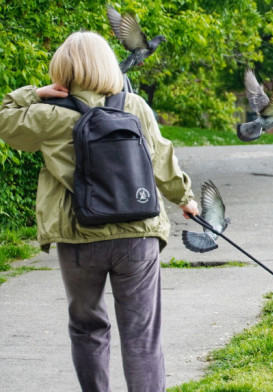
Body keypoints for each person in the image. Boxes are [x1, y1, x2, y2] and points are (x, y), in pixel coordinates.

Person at [0, 31, 199, 392]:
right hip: (137, 234)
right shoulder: (134, 106)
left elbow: (3, 120)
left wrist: (34, 93)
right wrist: (185, 199)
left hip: (79, 236)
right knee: (141, 334)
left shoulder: (47, 115)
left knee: (87, 326)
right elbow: (162, 157)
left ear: (63, 70)